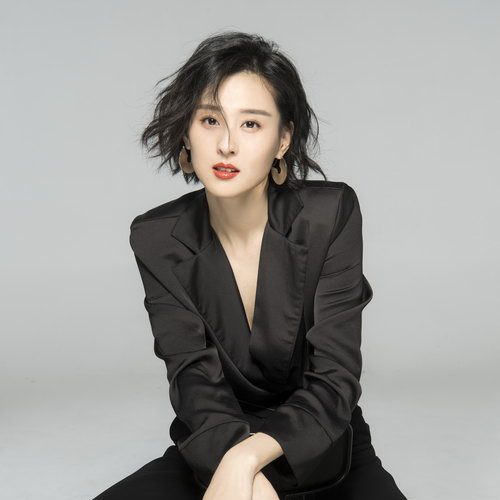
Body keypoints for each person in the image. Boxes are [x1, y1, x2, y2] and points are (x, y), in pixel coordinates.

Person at [93, 31, 407, 500]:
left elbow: (335, 378)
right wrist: (234, 463)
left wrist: (248, 460)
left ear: (283, 140)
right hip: (215, 443)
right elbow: (193, 380)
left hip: (319, 446)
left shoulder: (329, 216)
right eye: (209, 120)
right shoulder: (156, 237)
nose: (226, 145)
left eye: (251, 125)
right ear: (186, 131)